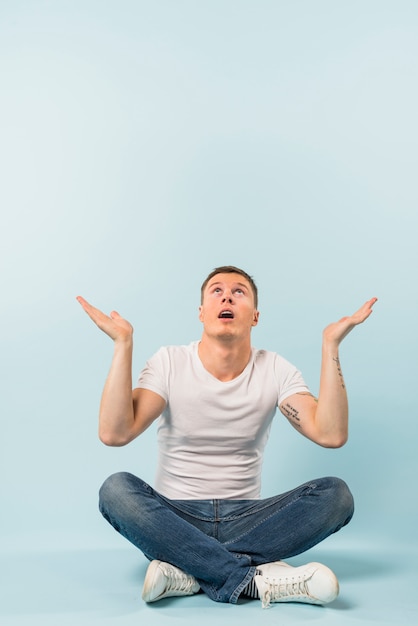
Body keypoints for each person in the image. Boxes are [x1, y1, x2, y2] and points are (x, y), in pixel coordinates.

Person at [76, 266, 377, 609]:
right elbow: (115, 433)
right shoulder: (169, 362)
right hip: (174, 519)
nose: (227, 296)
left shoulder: (275, 369)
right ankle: (250, 579)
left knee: (336, 496)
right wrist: (122, 344)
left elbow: (331, 434)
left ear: (255, 317)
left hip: (250, 519)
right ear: (202, 312)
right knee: (116, 490)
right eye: (216, 291)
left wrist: (331, 345)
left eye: (239, 291)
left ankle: (189, 570)